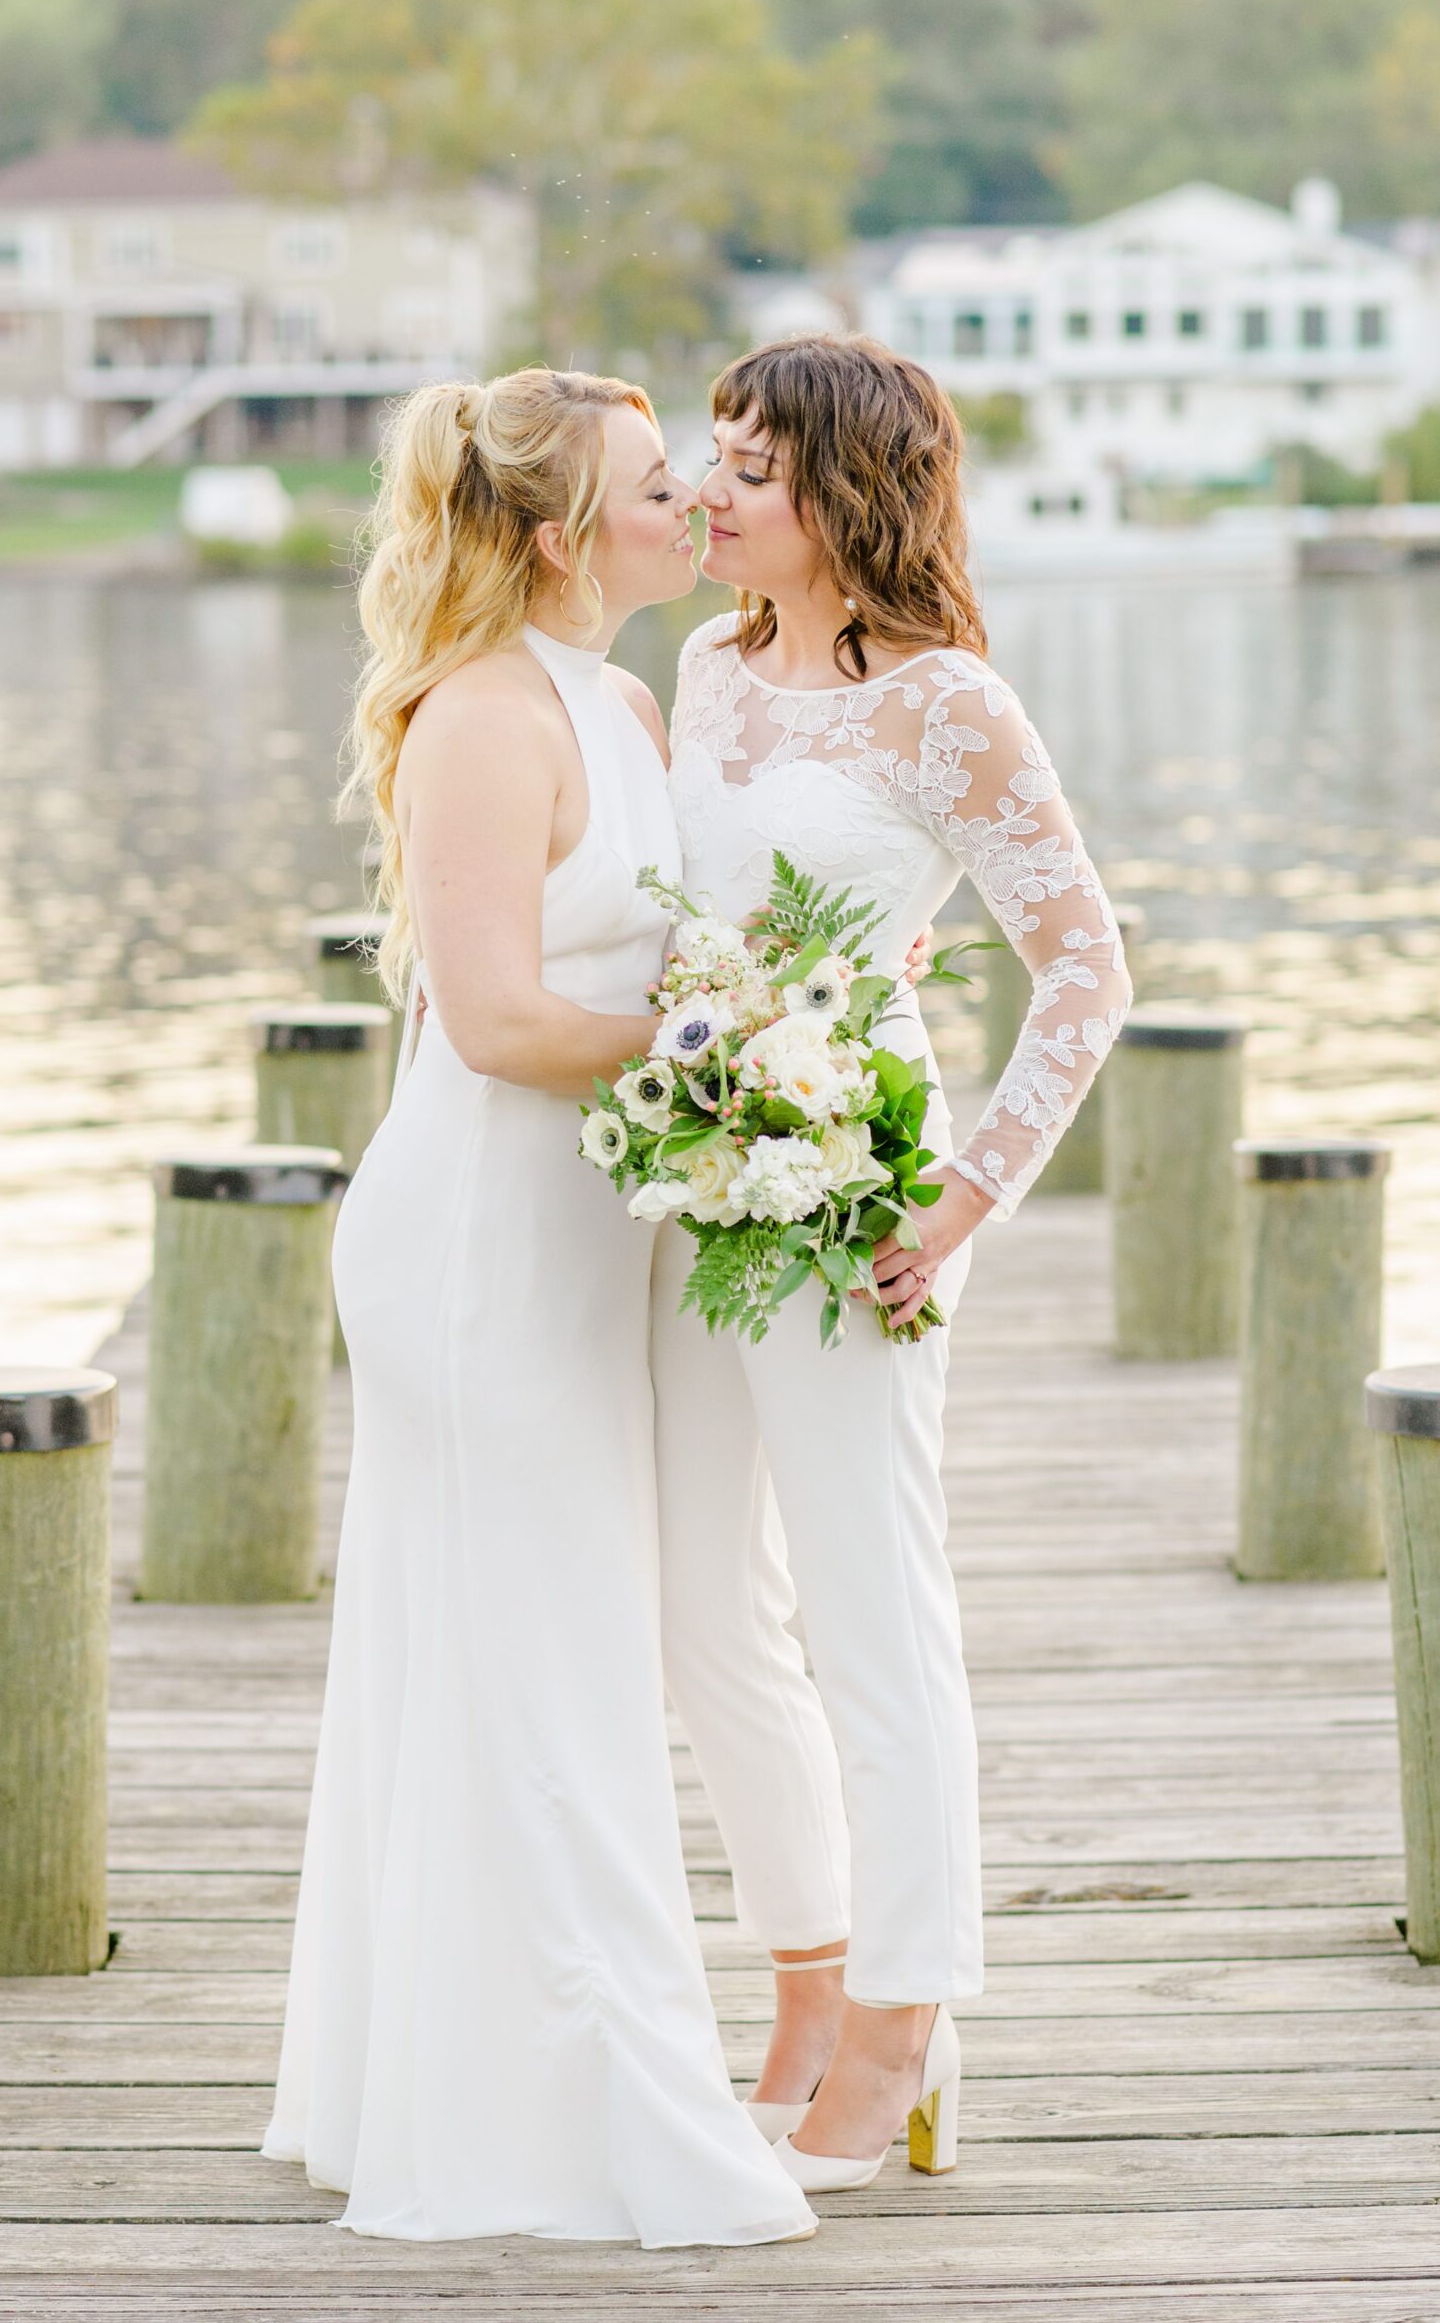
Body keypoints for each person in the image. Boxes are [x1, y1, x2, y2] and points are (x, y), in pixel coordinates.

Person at [263, 367, 814, 2248]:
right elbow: (497, 1026)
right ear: (568, 535)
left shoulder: (631, 701)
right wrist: (723, 1067)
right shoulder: (482, 722)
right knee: (547, 1657)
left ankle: (455, 2074)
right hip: (480, 1251)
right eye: (665, 486)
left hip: (583, 1254)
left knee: (537, 1649)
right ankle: (590, 2104)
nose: (700, 506)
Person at [651, 332, 1132, 2192]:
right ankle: (807, 1968)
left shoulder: (949, 707)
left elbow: (1085, 971)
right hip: (688, 1184)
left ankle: (910, 2022)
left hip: (860, 1204)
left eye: (752, 468)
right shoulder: (695, 665)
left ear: (847, 492)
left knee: (870, 1611)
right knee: (701, 1602)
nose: (712, 492)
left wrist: (963, 1203)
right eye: (709, 458)